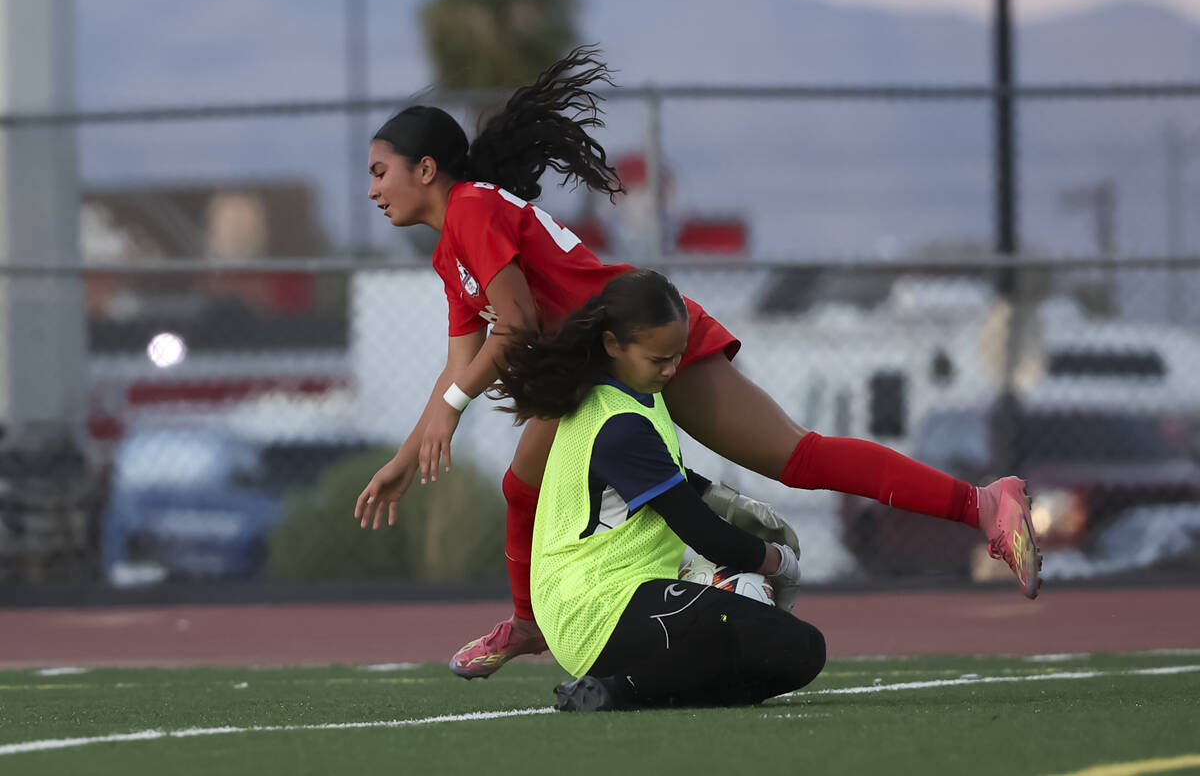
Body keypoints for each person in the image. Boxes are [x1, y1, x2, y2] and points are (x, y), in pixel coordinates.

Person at [354, 45, 1042, 680]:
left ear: (426, 170)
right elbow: (459, 365)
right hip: (596, 371)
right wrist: (403, 459)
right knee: (520, 486)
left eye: (380, 172)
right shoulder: (453, 247)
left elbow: (519, 323)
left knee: (797, 459)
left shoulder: (471, 209)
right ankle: (530, 625)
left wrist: (451, 410)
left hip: (641, 342)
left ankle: (985, 504)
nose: (373, 190)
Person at [496, 267, 824, 710]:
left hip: (612, 597)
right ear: (613, 345)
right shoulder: (619, 422)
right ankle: (613, 692)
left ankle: (638, 685)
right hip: (593, 609)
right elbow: (703, 534)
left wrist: (730, 501)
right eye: (658, 360)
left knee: (789, 654)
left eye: (677, 356)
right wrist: (780, 563)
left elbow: (665, 477)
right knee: (796, 645)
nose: (671, 370)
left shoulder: (631, 394)